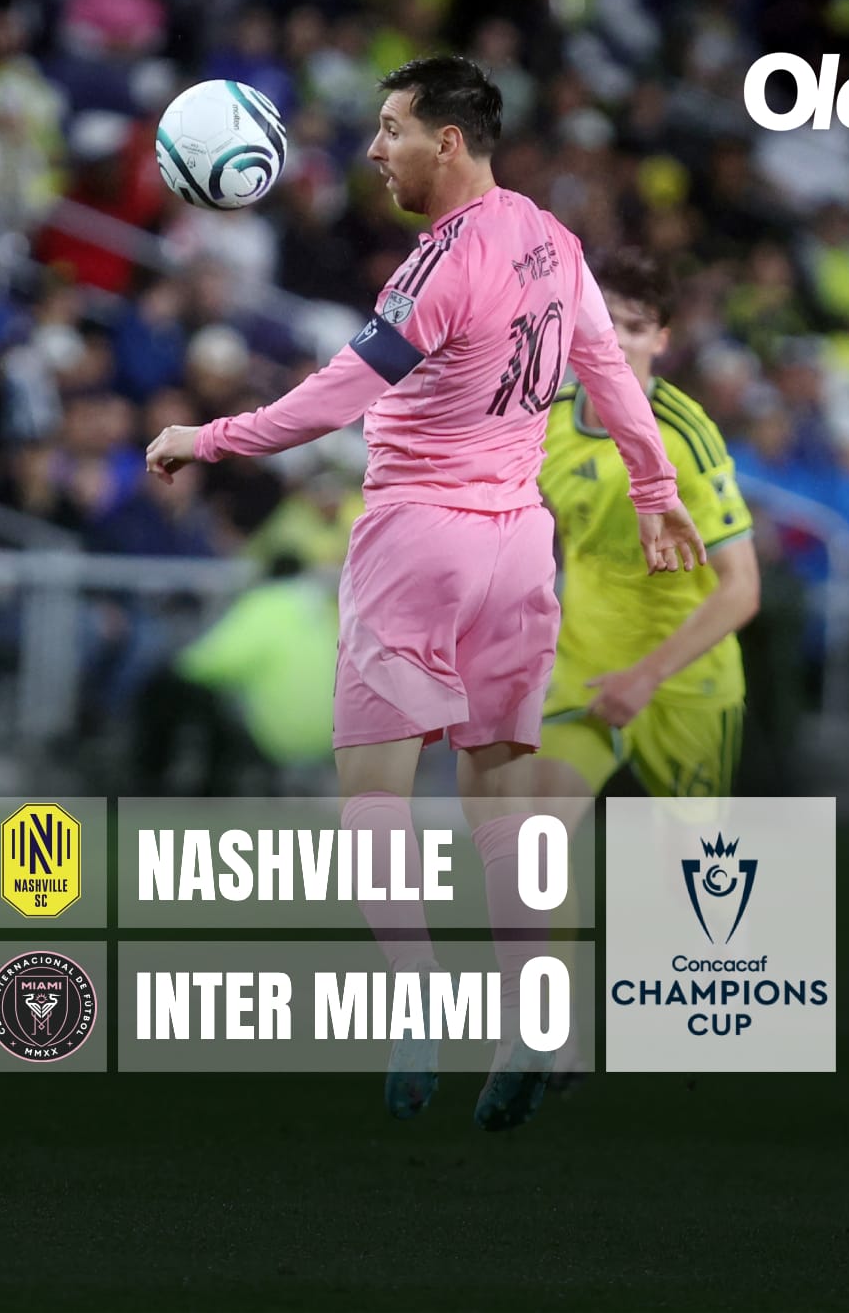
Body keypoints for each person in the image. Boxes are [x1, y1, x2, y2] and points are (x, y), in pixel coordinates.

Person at [147, 58, 705, 1131]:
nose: (374, 150)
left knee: (373, 796)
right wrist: (654, 488)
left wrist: (206, 437)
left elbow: (334, 398)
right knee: (501, 803)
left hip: (418, 538)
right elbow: (606, 367)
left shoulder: (439, 264)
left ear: (447, 142)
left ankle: (415, 1008)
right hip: (520, 549)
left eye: (391, 128)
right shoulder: (554, 239)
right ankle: (534, 1015)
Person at [534, 248, 760, 1086]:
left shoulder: (688, 434)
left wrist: (647, 677)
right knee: (538, 834)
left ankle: (707, 1022)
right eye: (603, 322)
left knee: (694, 885)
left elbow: (741, 590)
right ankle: (553, 1037)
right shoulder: (542, 418)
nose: (616, 341)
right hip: (584, 668)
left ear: (662, 339)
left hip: (687, 678)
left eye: (635, 327)